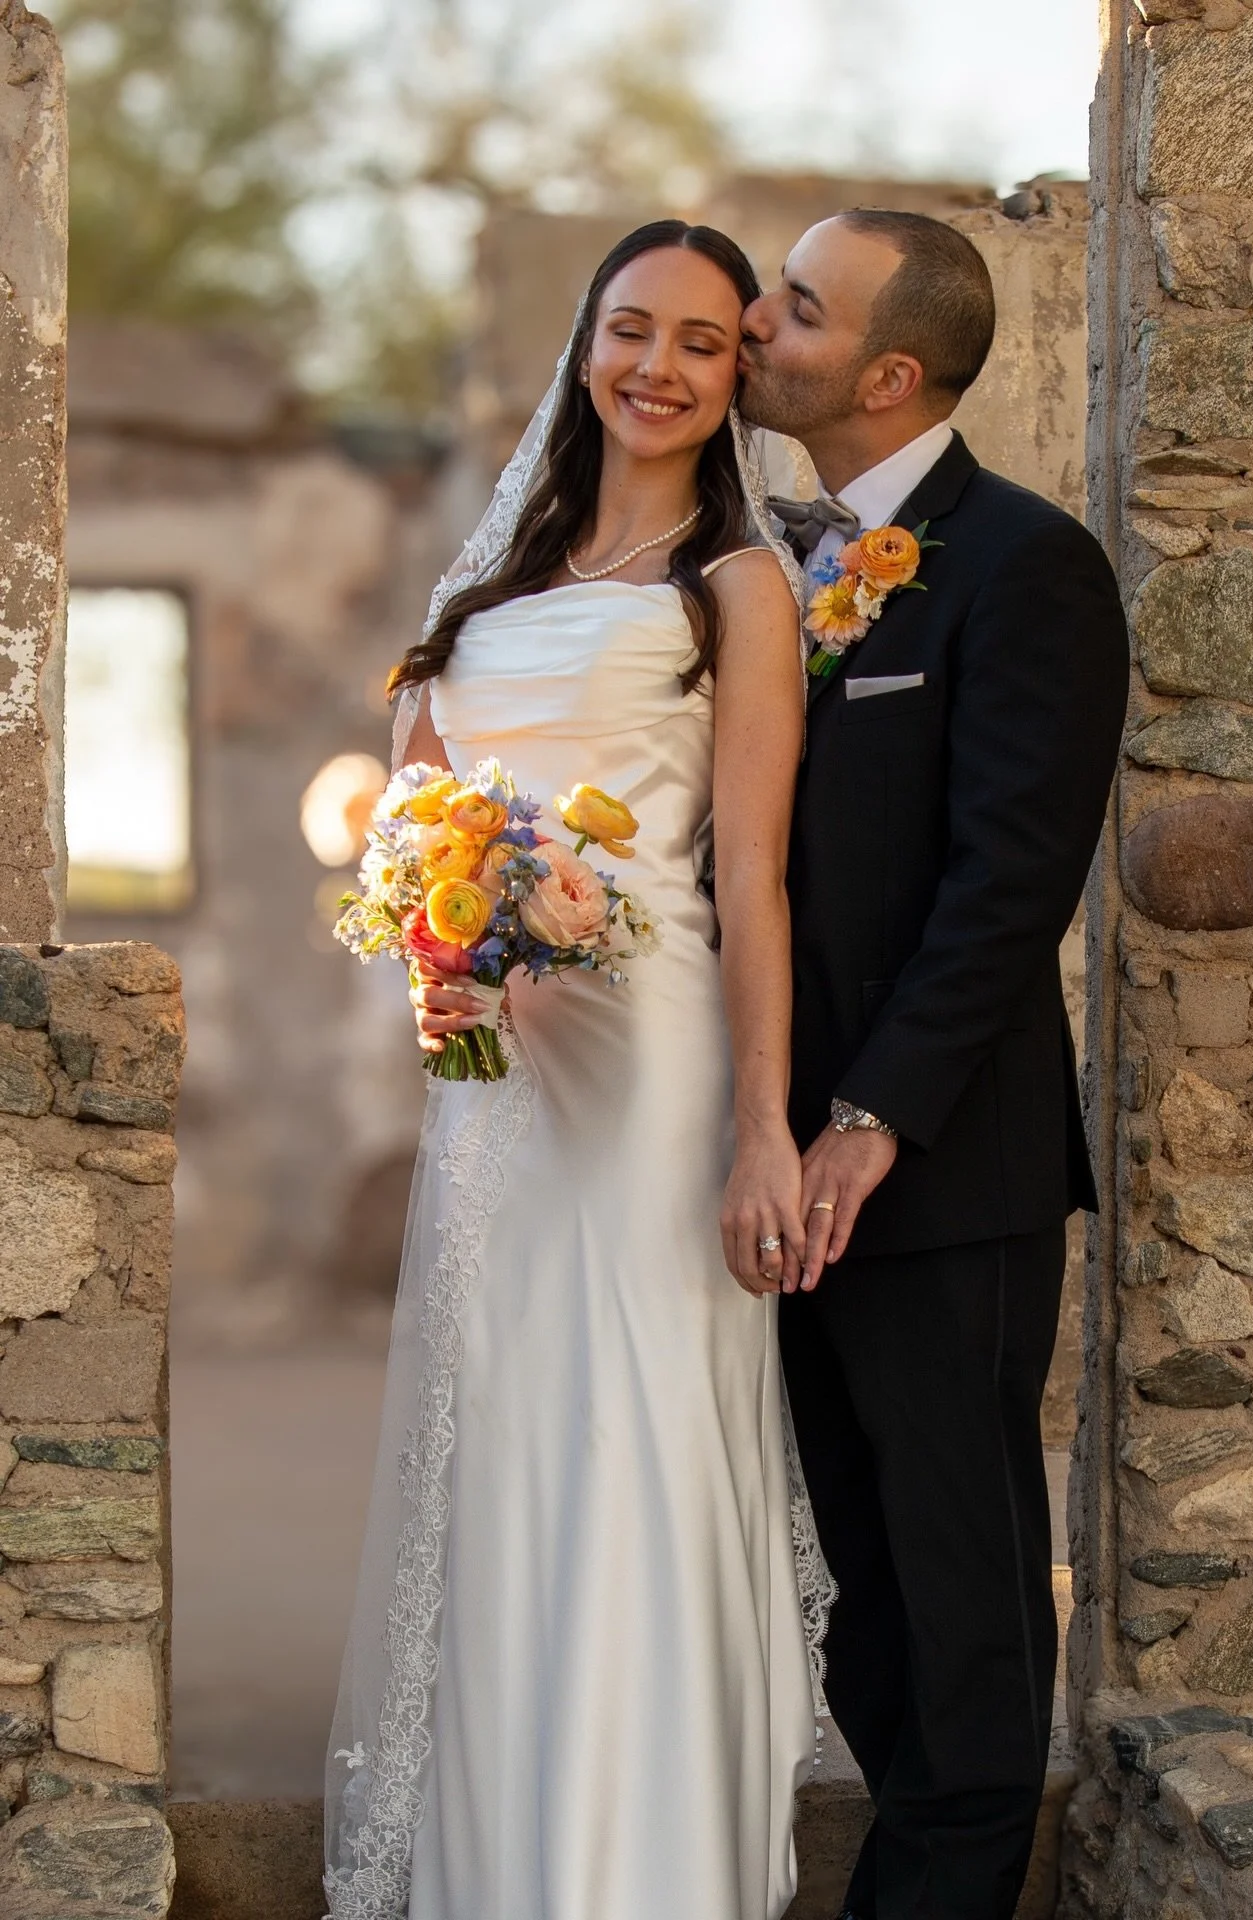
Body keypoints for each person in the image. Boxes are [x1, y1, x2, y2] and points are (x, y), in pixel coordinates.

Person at [323, 221, 825, 1920]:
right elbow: (411, 820)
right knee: (516, 1444)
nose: (660, 366)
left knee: (633, 1438)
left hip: (659, 1071)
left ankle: (646, 1867)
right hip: (507, 1080)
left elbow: (749, 874)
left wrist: (763, 1127)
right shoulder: (488, 596)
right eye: (631, 328)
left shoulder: (738, 591)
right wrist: (435, 960)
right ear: (586, 343)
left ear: (736, 373)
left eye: (702, 339)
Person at [740, 210, 1130, 1920]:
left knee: (962, 1585)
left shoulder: (1023, 563)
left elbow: (1007, 886)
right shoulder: (772, 563)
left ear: (890, 373)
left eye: (796, 307)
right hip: (786, 1166)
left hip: (936, 1173)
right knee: (871, 1592)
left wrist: (869, 1118)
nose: (759, 323)